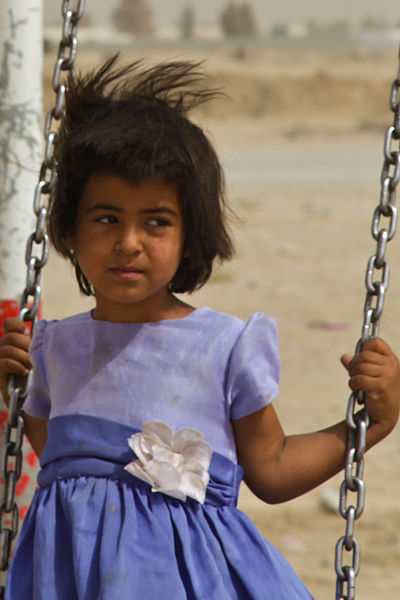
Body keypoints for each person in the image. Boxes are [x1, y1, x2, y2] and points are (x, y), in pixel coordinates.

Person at [0, 56, 399, 600]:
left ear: (191, 235)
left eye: (156, 222)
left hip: (187, 580)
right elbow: (63, 466)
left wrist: (371, 425)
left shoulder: (223, 345)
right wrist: (16, 392)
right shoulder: (51, 347)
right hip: (73, 574)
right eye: (107, 217)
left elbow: (274, 468)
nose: (129, 242)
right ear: (68, 230)